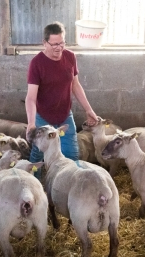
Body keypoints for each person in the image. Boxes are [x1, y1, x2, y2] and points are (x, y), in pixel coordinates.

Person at [25, 21, 99, 165]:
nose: (59, 48)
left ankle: (69, 183)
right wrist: (31, 122)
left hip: (65, 115)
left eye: (62, 43)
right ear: (45, 43)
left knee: (72, 154)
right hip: (43, 117)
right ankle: (36, 182)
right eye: (54, 44)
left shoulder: (70, 57)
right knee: (38, 153)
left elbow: (75, 85)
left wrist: (89, 110)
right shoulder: (37, 63)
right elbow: (31, 98)